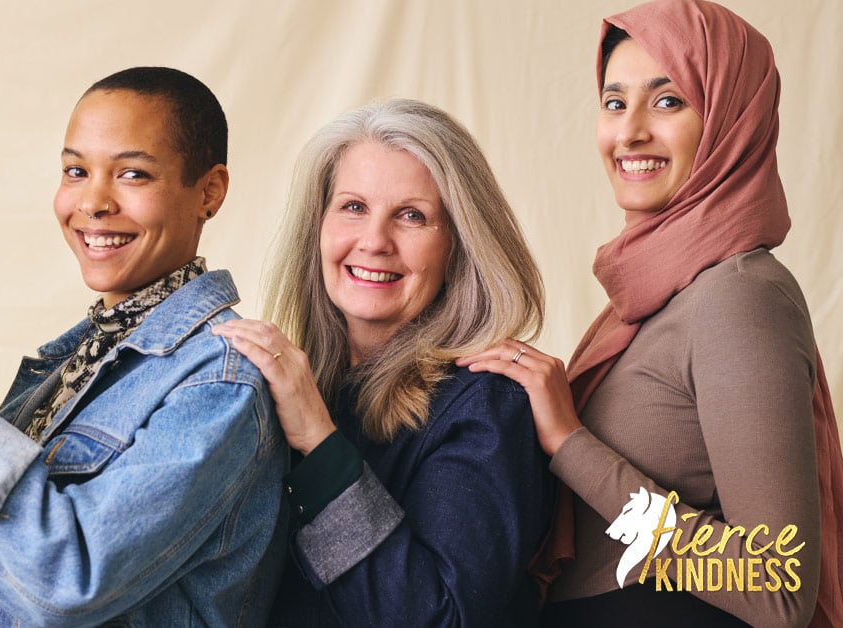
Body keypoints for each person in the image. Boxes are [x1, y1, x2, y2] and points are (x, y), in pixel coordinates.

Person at [457, 1, 843, 626]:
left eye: (668, 101)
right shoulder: (650, 296)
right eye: (614, 103)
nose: (630, 131)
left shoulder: (738, 296)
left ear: (729, 120)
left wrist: (571, 445)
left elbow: (777, 586)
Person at [0, 66, 285, 627]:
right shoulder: (75, 361)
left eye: (132, 174)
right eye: (76, 170)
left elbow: (64, 580)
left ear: (209, 191)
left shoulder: (221, 382)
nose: (93, 201)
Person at [213, 98, 554, 626]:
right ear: (318, 228)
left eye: (412, 216)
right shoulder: (308, 388)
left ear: (459, 247)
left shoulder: (486, 402)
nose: (374, 241)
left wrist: (320, 445)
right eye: (353, 207)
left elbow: (437, 617)